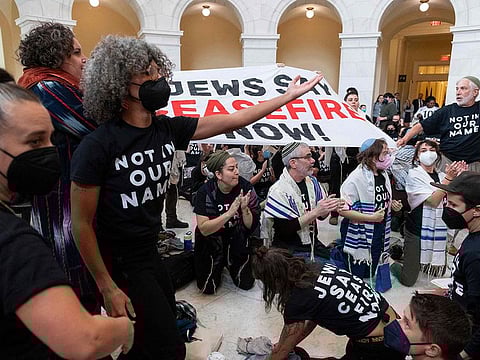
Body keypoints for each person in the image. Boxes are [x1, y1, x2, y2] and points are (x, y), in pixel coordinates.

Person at [70, 35, 323, 359]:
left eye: (157, 71)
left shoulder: (166, 129)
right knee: (167, 346)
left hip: (150, 248)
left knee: (154, 336)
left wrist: (286, 98)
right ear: (118, 85)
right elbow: (81, 223)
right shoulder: (97, 146)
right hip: (119, 258)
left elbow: (236, 119)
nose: (158, 79)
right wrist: (106, 285)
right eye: (147, 74)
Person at [0, 83, 134, 360]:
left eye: (52, 139)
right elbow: (86, 340)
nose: (51, 152)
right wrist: (123, 328)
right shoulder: (15, 242)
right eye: (35, 141)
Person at [252, 247, 470, 360]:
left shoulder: (297, 300)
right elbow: (311, 318)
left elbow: (288, 342)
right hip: (380, 325)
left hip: (375, 346)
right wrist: (286, 344)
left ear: (273, 281)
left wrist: (279, 351)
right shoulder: (315, 269)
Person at [16, 22, 98, 309]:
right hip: (61, 201)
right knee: (74, 277)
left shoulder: (38, 83)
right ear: (56, 58)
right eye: (76, 53)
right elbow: (93, 126)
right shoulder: (47, 86)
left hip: (56, 195)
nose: (83, 59)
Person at [391, 140, 467, 286]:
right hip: (416, 229)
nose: (428, 153)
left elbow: (456, 199)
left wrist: (461, 177)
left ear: (437, 155)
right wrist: (449, 179)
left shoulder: (441, 176)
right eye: (423, 150)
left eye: (432, 150)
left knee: (435, 271)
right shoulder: (414, 174)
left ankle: (410, 257)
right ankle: (392, 263)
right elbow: (433, 201)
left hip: (438, 227)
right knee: (408, 281)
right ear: (417, 157)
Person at [194, 151, 260, 294]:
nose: (237, 172)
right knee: (207, 288)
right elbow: (204, 228)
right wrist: (229, 213)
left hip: (235, 235)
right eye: (231, 169)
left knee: (246, 283)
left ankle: (229, 259)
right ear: (218, 174)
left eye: (236, 167)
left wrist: (245, 210)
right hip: (211, 238)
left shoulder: (245, 187)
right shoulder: (205, 192)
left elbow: (251, 226)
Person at [431, 171, 480, 359]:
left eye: (453, 205)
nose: (448, 210)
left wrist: (463, 354)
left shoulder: (476, 254)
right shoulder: (471, 237)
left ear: (476, 210)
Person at [338, 138, 403, 278]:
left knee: (371, 267)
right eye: (385, 153)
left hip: (379, 229)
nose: (388, 157)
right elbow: (343, 209)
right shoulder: (356, 178)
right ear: (373, 156)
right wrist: (370, 217)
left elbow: (378, 198)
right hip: (360, 231)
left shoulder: (383, 174)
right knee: (356, 271)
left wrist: (391, 205)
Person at [264, 142, 341, 259]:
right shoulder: (278, 190)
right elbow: (286, 229)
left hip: (312, 244)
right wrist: (316, 212)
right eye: (307, 157)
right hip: (288, 251)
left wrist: (327, 207)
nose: (313, 160)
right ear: (293, 163)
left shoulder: (313, 183)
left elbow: (321, 217)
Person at [398, 76, 480, 172]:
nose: (458, 92)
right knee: (441, 186)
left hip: (473, 164)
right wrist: (404, 139)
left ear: (475, 92)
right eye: (457, 89)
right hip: (447, 160)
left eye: (463, 88)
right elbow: (421, 125)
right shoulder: (447, 111)